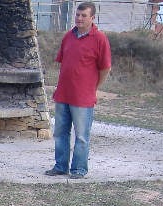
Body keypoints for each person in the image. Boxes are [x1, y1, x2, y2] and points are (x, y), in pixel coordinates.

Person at [45, 1, 112, 179]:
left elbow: (105, 68)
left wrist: (94, 88)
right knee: (60, 133)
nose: (79, 18)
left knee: (81, 136)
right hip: (63, 94)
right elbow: (64, 63)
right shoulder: (68, 36)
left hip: (83, 97)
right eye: (77, 15)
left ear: (92, 18)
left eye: (84, 15)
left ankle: (79, 169)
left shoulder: (100, 39)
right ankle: (60, 166)